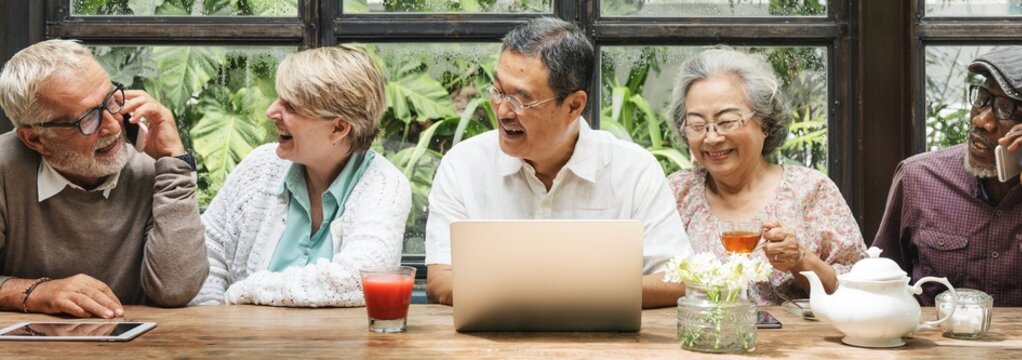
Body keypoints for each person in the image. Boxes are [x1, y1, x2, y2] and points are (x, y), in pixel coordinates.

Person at [424, 17, 692, 308]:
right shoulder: (463, 165)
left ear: (574, 105)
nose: (503, 111)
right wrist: (554, 292)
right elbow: (440, 280)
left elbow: (677, 280)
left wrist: (562, 293)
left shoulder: (633, 169)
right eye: (499, 91)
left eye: (522, 100)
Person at [0, 39, 207, 318]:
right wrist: (38, 293)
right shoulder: (4, 167)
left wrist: (175, 161)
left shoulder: (152, 164)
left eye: (111, 100)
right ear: (36, 139)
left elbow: (175, 289)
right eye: (87, 119)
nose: (112, 125)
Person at [190, 46, 411, 307]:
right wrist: (214, 325)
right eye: (278, 98)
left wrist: (247, 291)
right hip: (243, 344)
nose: (271, 112)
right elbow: (205, 258)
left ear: (338, 128)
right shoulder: (258, 167)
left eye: (290, 106)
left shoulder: (385, 184)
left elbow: (356, 280)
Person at [874, 46, 1022, 307]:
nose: (982, 120)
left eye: (1006, 109)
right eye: (982, 98)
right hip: (938, 346)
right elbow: (877, 285)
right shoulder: (918, 177)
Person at [666, 49, 867, 305]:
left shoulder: (811, 190)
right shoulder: (677, 192)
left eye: (727, 121)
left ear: (764, 122)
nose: (712, 137)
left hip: (796, 344)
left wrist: (800, 260)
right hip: (699, 339)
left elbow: (859, 290)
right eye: (697, 124)